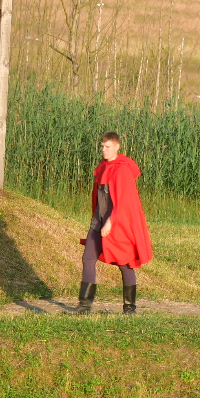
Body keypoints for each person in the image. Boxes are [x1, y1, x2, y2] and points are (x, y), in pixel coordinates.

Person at [76, 131, 152, 314]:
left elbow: (125, 200)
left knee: (124, 262)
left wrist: (110, 222)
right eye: (102, 146)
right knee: (88, 258)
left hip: (118, 223)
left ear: (117, 147)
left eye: (107, 147)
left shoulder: (122, 169)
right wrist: (99, 220)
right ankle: (84, 307)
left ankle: (129, 307)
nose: (104, 150)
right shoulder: (103, 167)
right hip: (98, 221)